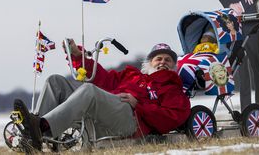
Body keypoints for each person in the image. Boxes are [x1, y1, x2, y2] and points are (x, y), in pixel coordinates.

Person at [13, 41, 191, 151]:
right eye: (158, 58)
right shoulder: (132, 75)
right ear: (149, 62)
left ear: (174, 66)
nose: (162, 62)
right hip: (105, 111)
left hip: (130, 120)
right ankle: (33, 137)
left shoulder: (173, 89)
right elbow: (103, 79)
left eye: (168, 60)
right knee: (55, 82)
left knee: (89, 90)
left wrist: (139, 105)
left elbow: (172, 118)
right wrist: (78, 56)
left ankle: (42, 126)